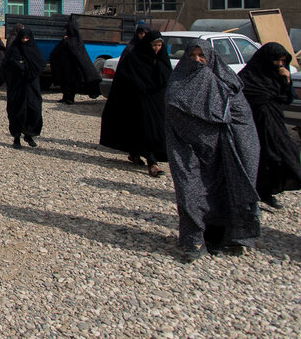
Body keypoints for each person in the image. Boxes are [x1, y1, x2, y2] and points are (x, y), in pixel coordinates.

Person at [165, 38, 261, 262]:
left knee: (224, 195)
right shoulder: (178, 82)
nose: (197, 60)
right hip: (188, 151)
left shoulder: (227, 83)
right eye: (192, 56)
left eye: (202, 56)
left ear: (211, 58)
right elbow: (172, 116)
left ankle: (223, 239)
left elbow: (242, 119)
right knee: (190, 195)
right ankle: (193, 241)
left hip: (224, 152)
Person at [99, 31, 171, 177]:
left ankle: (135, 153)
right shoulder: (134, 58)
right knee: (145, 130)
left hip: (156, 101)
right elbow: (126, 79)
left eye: (159, 45)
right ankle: (152, 163)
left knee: (155, 130)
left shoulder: (162, 59)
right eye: (154, 45)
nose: (156, 48)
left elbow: (165, 79)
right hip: (138, 101)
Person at [238, 42, 301, 209]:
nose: (280, 64)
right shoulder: (249, 76)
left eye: (282, 61)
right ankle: (254, 194)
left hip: (275, 125)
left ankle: (268, 191)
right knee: (257, 160)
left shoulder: (278, 76)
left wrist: (286, 80)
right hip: (254, 127)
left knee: (283, 156)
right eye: (276, 61)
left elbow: (287, 99)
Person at [3, 26, 46, 149]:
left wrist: (28, 69)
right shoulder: (14, 49)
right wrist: (20, 68)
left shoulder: (34, 49)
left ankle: (29, 134)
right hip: (17, 87)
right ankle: (16, 138)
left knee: (34, 110)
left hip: (32, 87)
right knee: (17, 111)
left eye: (27, 38)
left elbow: (40, 64)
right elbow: (7, 65)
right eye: (23, 38)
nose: (25, 40)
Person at [49, 20, 100, 104]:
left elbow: (75, 51)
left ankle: (70, 98)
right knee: (64, 82)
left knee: (71, 83)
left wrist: (66, 41)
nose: (65, 31)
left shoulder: (74, 40)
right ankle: (65, 97)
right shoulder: (69, 39)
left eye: (66, 29)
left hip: (73, 67)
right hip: (64, 66)